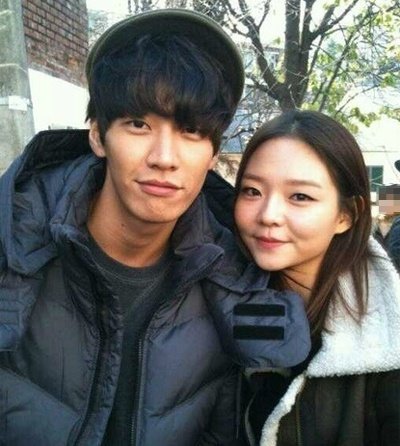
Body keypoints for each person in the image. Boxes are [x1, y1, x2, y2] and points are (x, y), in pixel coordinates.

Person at [0, 9, 310, 446]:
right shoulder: (12, 243)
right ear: (98, 135)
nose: (164, 157)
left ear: (213, 153)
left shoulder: (239, 280)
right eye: (139, 124)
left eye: (191, 131)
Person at [234, 110, 400, 446]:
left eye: (300, 196)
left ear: (345, 215)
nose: (268, 215)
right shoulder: (219, 298)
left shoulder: (389, 343)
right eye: (252, 191)